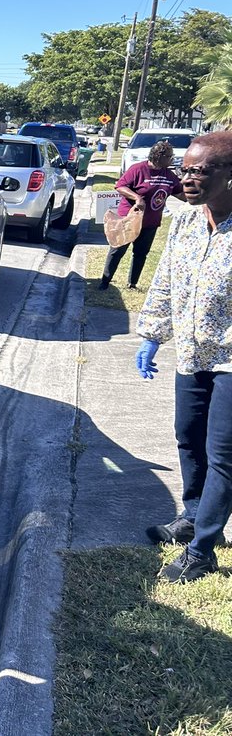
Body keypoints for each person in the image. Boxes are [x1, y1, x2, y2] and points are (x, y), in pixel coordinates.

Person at [136, 131, 232, 583]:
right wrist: (153, 335)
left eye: (199, 171)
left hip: (231, 361)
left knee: (223, 455)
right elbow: (166, 281)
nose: (186, 179)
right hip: (192, 352)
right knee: (187, 437)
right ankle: (193, 514)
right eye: (185, 169)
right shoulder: (187, 223)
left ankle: (203, 548)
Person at [99, 140, 183, 290]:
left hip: (150, 222)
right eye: (169, 156)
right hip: (130, 220)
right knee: (117, 250)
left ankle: (132, 283)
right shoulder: (138, 169)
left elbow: (180, 193)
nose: (172, 159)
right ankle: (105, 281)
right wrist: (137, 198)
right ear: (159, 156)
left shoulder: (169, 175)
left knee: (141, 253)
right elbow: (120, 185)